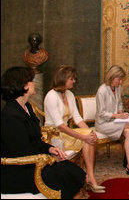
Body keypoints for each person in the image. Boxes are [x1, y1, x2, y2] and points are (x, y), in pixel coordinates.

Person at [1, 66, 85, 199]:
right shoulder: (10, 115)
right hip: (17, 170)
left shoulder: (26, 106)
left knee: (72, 169)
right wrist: (48, 159)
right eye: (31, 80)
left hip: (33, 162)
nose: (34, 83)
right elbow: (21, 151)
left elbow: (35, 141)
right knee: (64, 174)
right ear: (23, 86)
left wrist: (51, 149)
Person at [44, 65, 104, 193]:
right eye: (71, 79)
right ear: (63, 79)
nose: (74, 81)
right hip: (53, 135)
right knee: (86, 138)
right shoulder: (51, 96)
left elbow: (77, 118)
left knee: (89, 137)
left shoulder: (69, 94)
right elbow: (59, 125)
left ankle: (89, 177)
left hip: (64, 132)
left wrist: (90, 133)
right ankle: (90, 178)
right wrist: (83, 136)